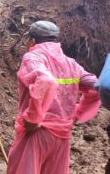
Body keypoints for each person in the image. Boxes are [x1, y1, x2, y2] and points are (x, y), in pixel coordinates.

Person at [7, 21, 101, 174]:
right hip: (62, 136)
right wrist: (78, 114)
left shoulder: (33, 57)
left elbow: (46, 81)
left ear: (32, 40)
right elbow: (98, 87)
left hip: (36, 133)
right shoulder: (71, 64)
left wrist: (33, 118)